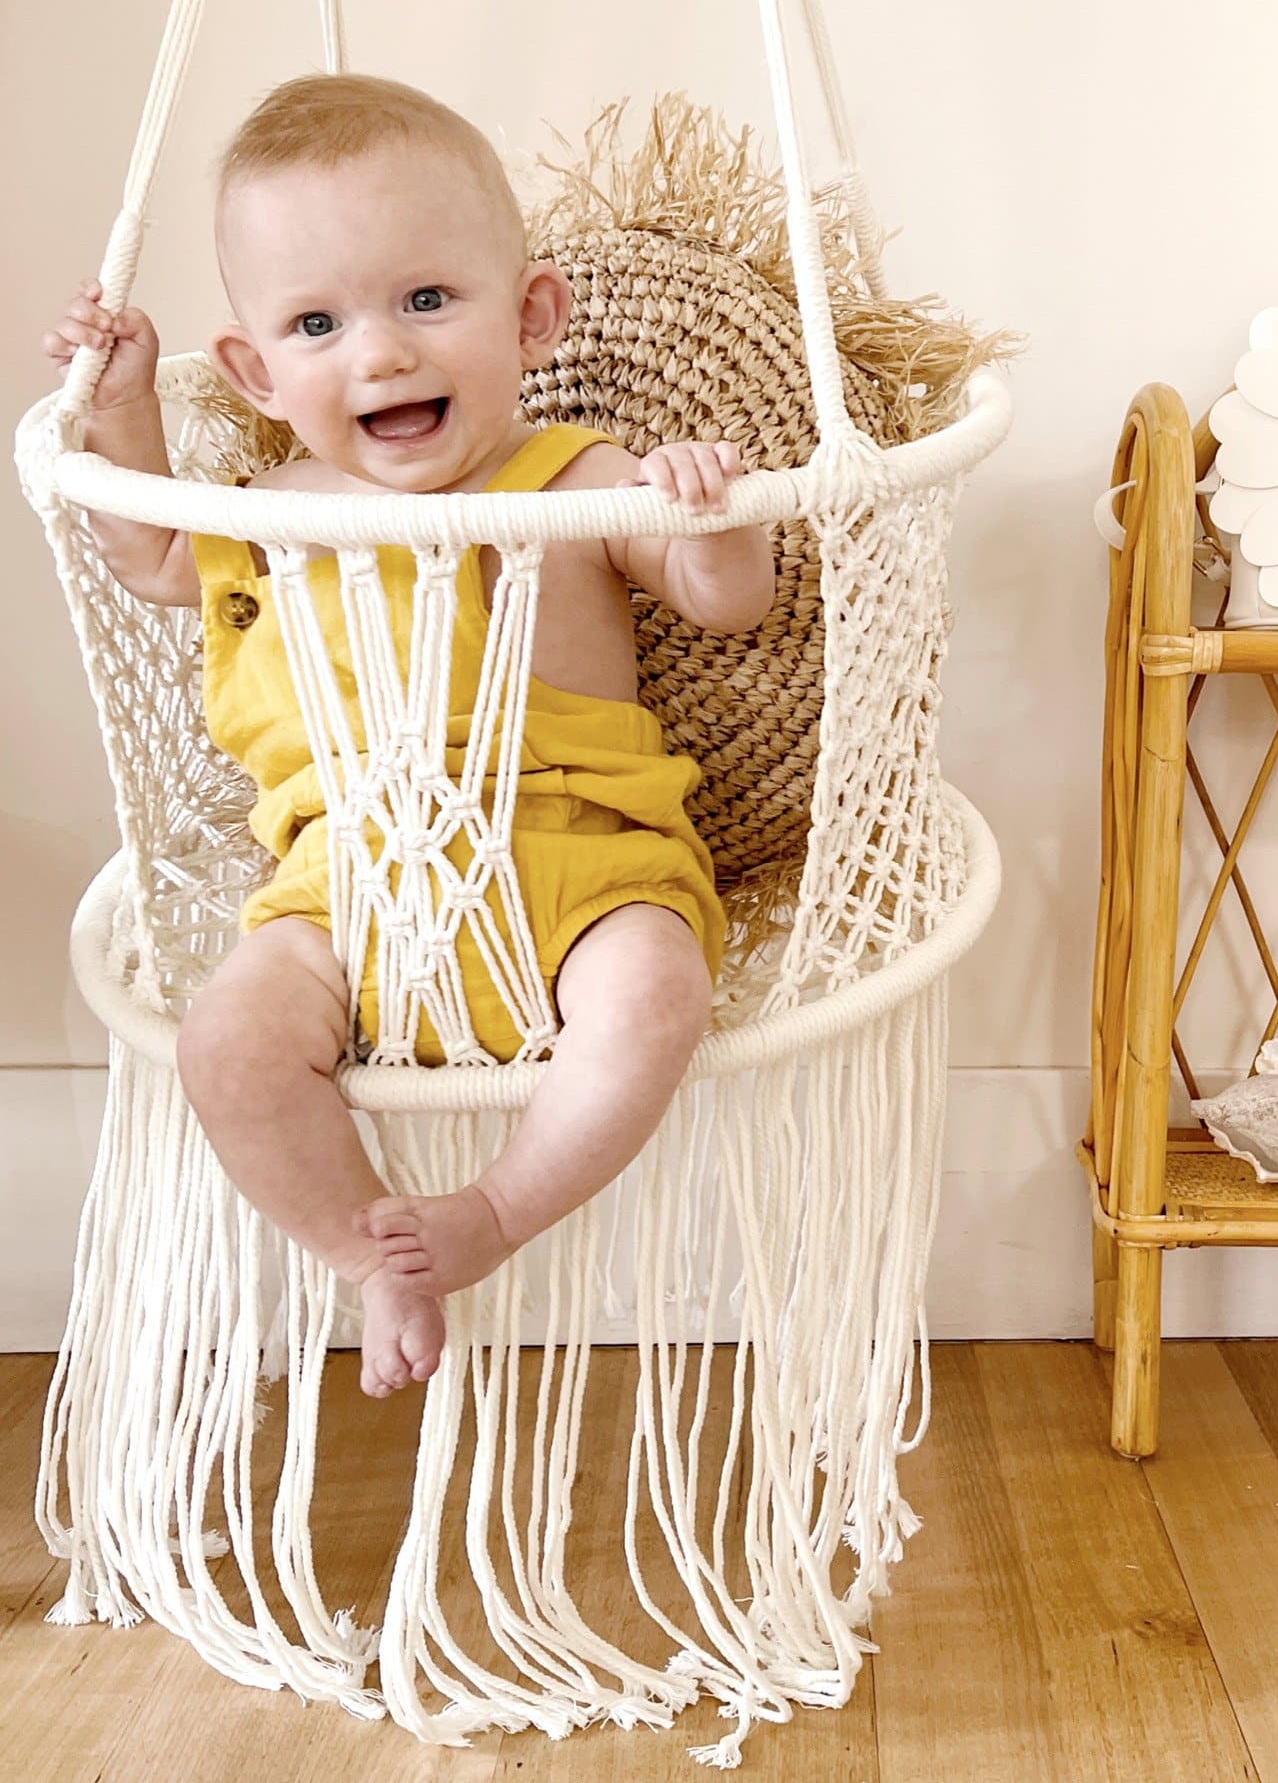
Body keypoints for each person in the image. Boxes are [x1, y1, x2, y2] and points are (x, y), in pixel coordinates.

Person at [40, 73, 774, 1398]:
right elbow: (145, 553)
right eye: (317, 324)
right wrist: (122, 406)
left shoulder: (575, 475)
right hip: (346, 888)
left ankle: (494, 1212)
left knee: (655, 996)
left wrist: (714, 514)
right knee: (228, 1040)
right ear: (258, 373)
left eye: (427, 300)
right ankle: (366, 1252)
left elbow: (728, 600)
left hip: (581, 871)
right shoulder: (274, 503)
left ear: (531, 316)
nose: (380, 354)